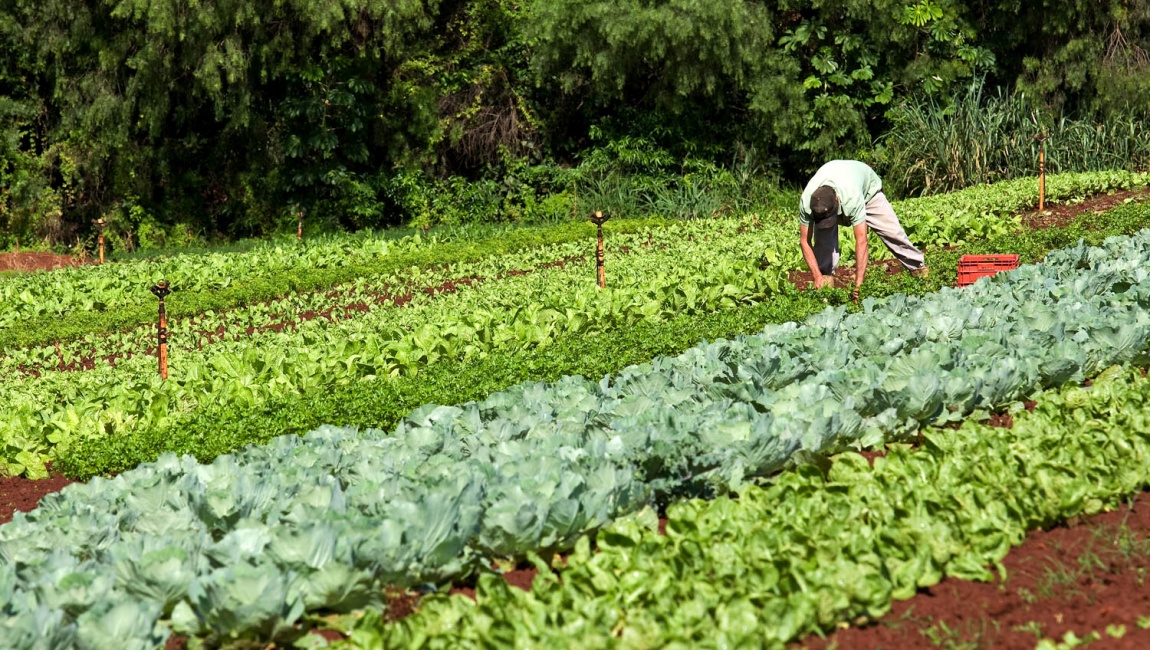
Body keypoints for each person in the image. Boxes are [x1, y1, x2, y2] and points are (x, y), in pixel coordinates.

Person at [798, 160, 928, 301]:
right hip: (834, 189)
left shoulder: (852, 198)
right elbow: (804, 241)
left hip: (867, 193)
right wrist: (817, 275)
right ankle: (825, 286)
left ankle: (918, 269)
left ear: (836, 199)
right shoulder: (807, 203)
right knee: (823, 243)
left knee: (892, 232)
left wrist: (858, 285)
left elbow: (861, 241)